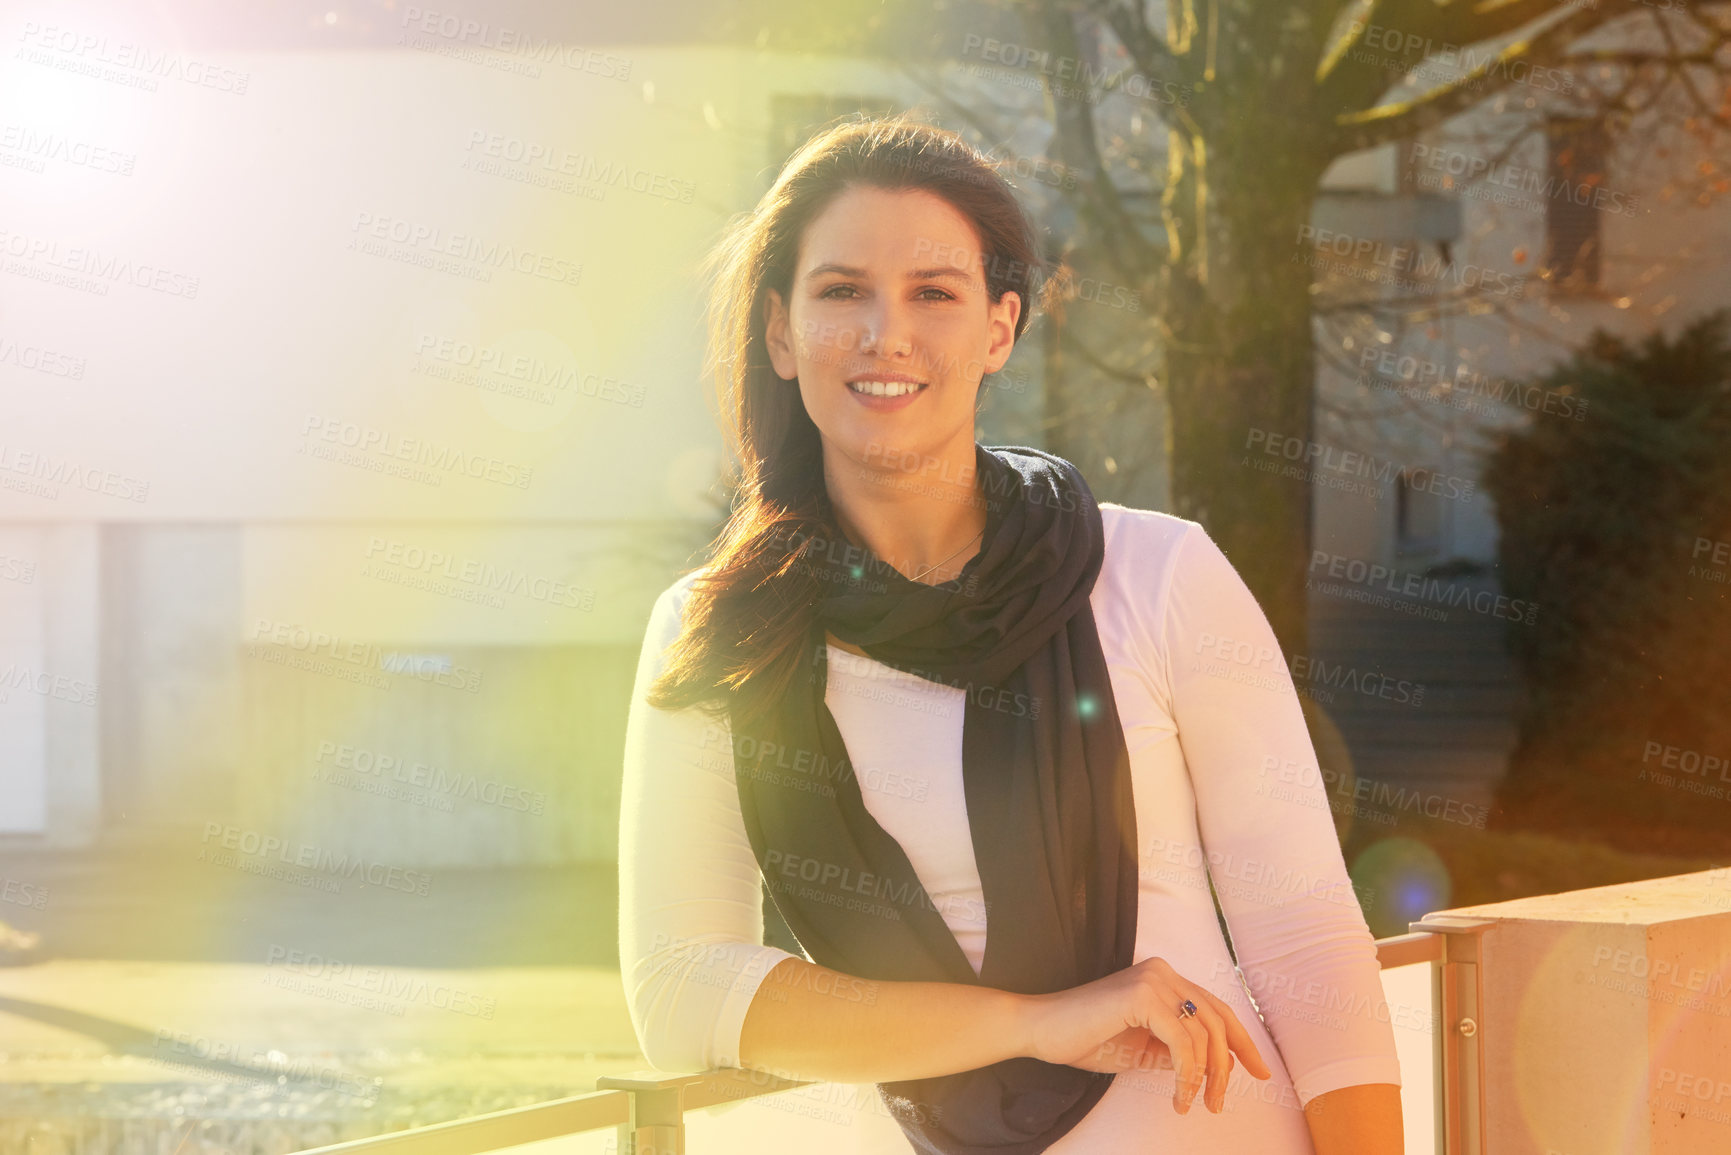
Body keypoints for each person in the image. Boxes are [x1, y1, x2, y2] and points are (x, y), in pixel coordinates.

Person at [618, 114, 1402, 1153]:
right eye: (841, 290)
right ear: (779, 331)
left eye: (933, 294)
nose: (884, 333)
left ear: (999, 327)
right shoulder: (720, 632)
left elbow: (1305, 933)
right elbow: (682, 990)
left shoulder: (1159, 576)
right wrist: (1042, 1022)